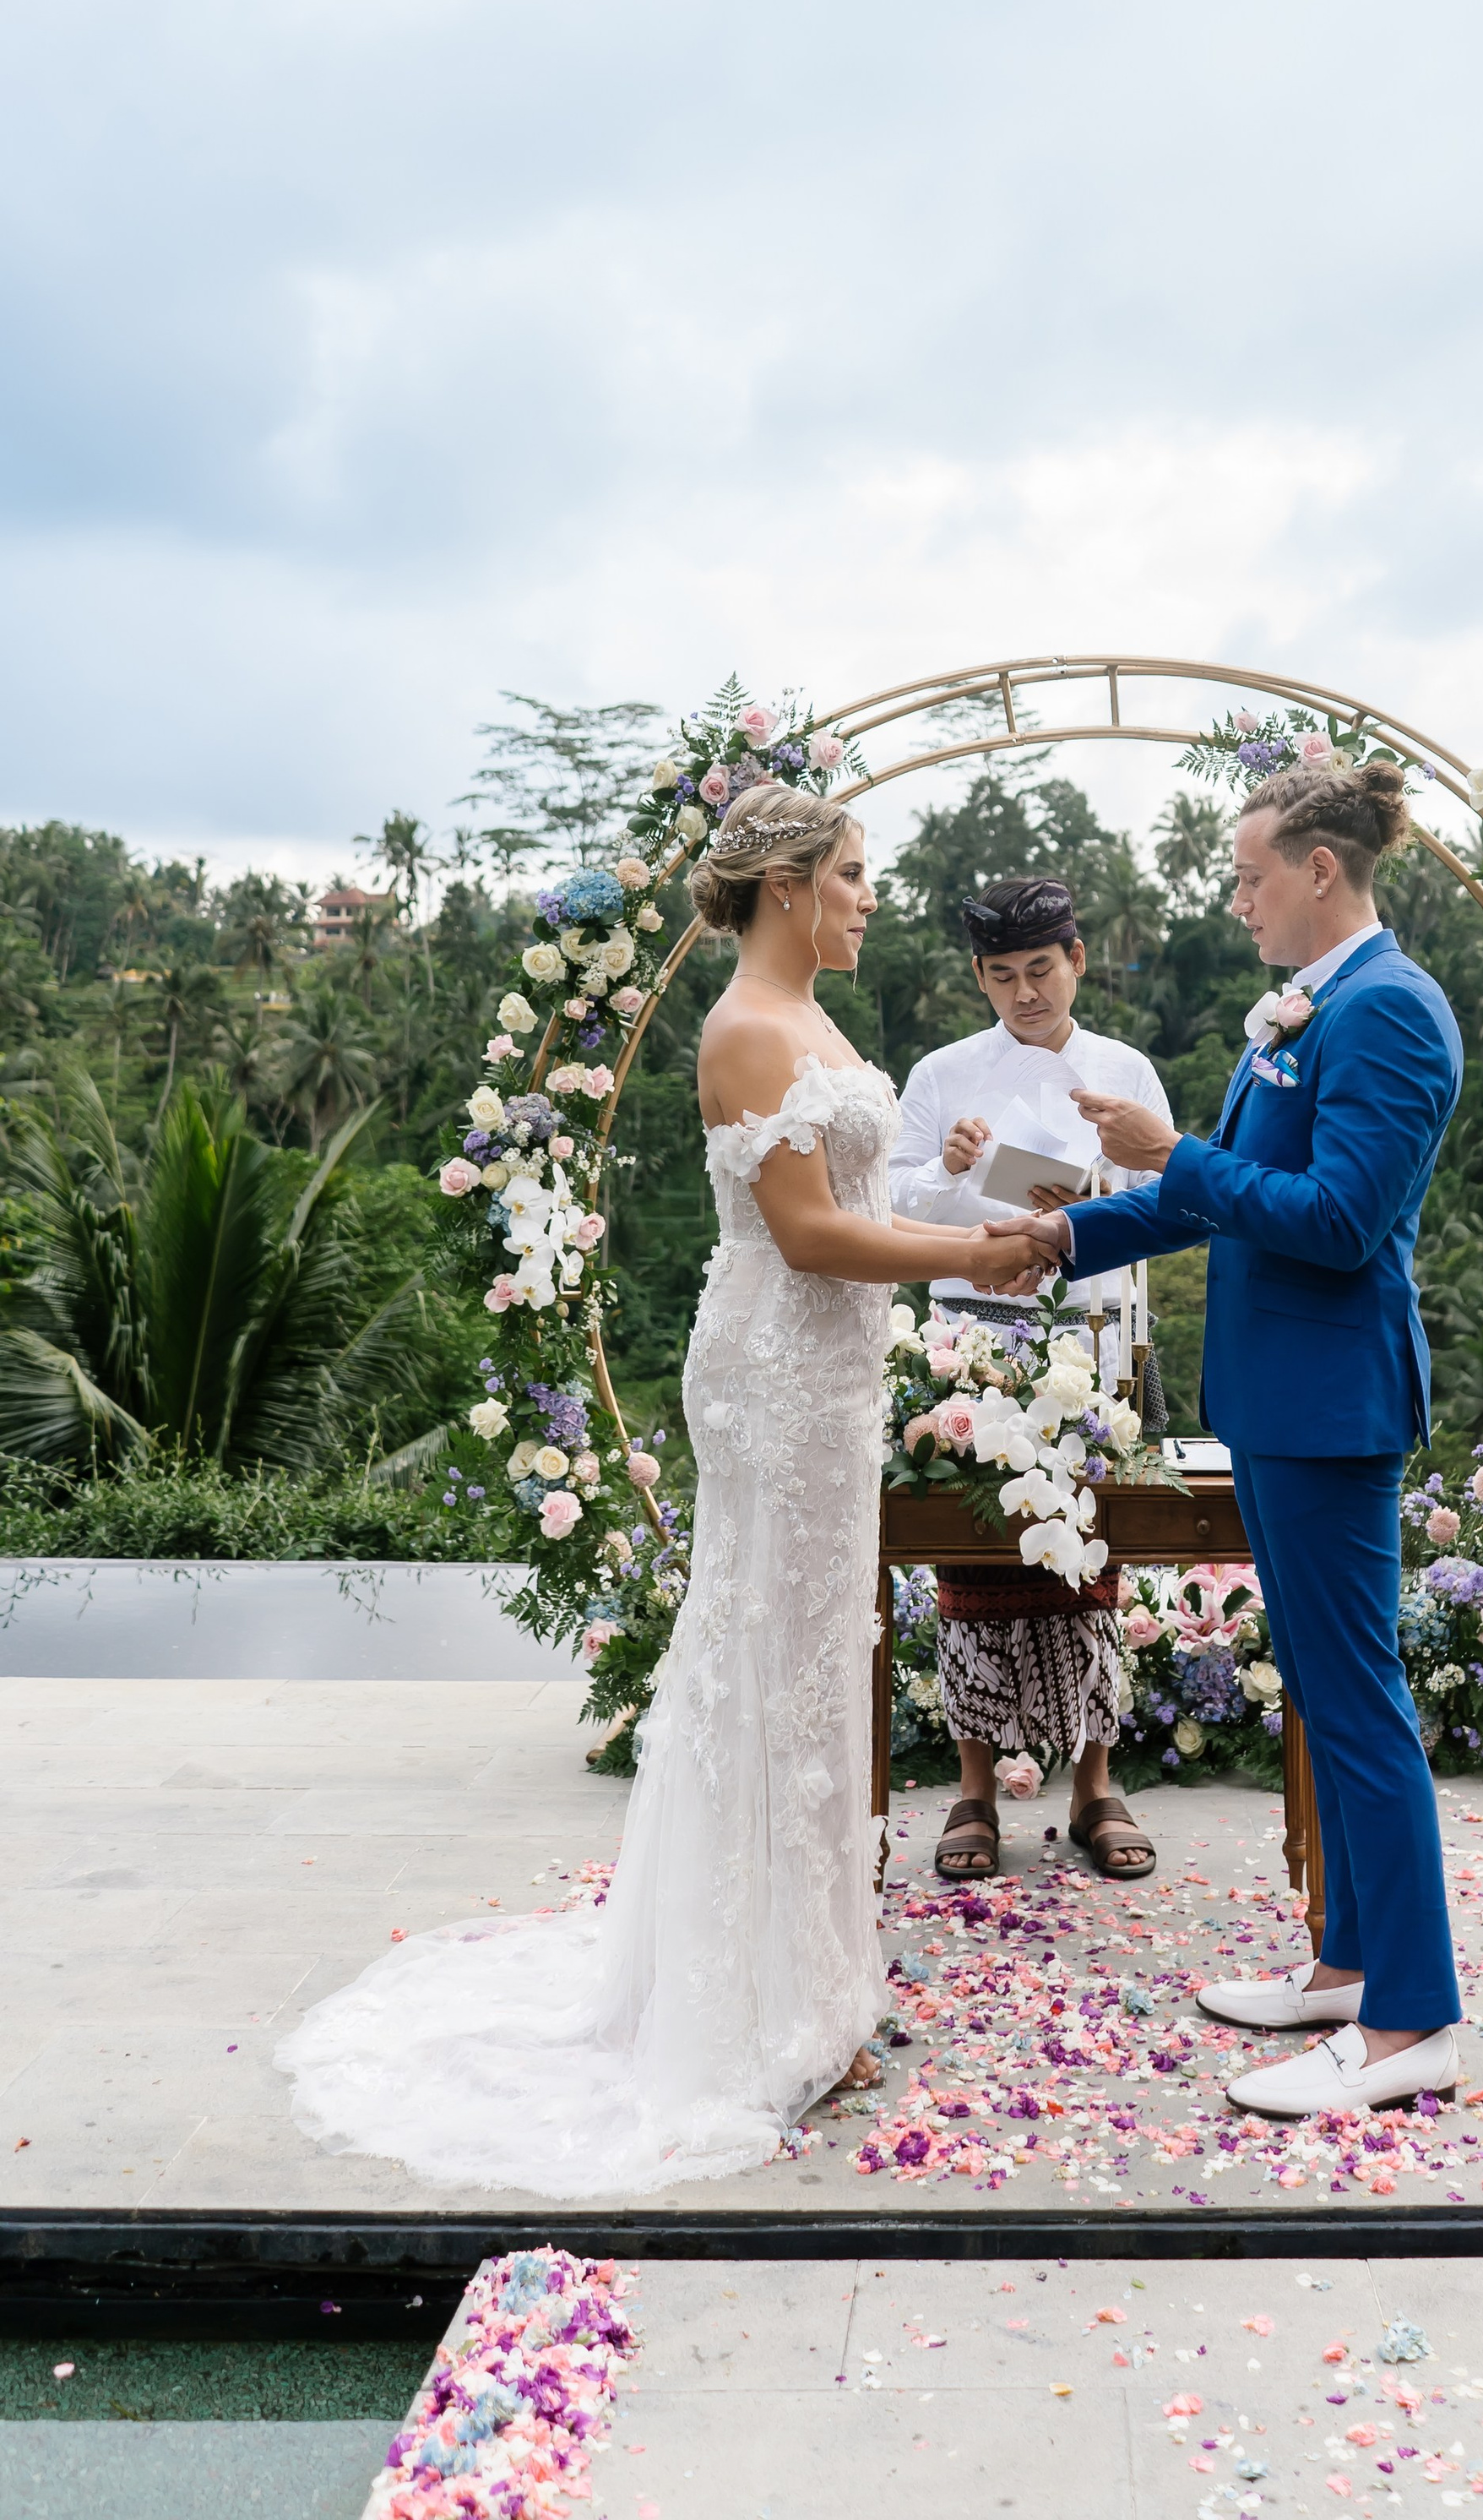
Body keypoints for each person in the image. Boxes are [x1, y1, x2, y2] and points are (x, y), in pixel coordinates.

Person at [279, 785, 1042, 2196]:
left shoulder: (814, 1019)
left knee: (821, 1663)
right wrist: (973, 1261)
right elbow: (808, 1235)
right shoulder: (748, 1028)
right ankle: (753, 2007)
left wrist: (979, 1221)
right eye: (853, 874)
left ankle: (814, 1985)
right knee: (772, 1669)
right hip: (773, 1377)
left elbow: (867, 1204)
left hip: (832, 1381)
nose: (871, 898)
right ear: (786, 885)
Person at [988, 757, 1467, 2120]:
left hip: (1331, 1406)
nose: (1239, 900)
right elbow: (1221, 1202)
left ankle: (1413, 2019)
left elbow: (1339, 1220)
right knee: (1323, 1687)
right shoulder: (1310, 1004)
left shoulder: (1389, 1008)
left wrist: (1171, 1151)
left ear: (1320, 870)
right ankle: (1348, 1969)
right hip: (1275, 1399)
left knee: (1358, 1704)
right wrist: (1063, 1234)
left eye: (1251, 877)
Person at [888, 874, 1171, 1886]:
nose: (1025, 993)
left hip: (1095, 1340)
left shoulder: (1125, 1069)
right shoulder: (942, 1073)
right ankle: (973, 1787)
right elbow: (890, 1201)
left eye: (1041, 969)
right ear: (979, 976)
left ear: (1076, 960)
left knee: (1092, 1560)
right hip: (971, 1343)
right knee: (969, 1555)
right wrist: (953, 1169)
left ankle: (1096, 1785)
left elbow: (1169, 1196)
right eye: (1002, 975)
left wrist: (1061, 1203)